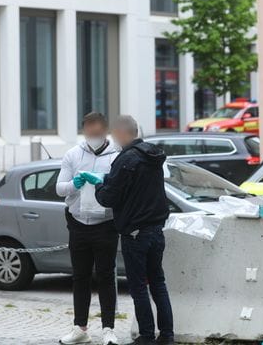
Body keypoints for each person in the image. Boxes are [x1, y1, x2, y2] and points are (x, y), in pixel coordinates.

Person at [80, 115, 174, 345]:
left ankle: (146, 336)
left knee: (139, 287)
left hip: (135, 233)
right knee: (158, 284)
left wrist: (100, 184)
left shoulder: (126, 160)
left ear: (122, 133)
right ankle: (167, 335)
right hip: (156, 230)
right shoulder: (153, 155)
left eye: (113, 134)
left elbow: (109, 198)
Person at [56, 113, 120, 345]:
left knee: (106, 276)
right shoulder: (73, 154)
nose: (93, 136)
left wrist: (103, 182)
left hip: (106, 224)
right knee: (80, 277)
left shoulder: (117, 156)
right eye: (88, 131)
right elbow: (59, 188)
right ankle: (80, 327)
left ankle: (108, 329)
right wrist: (74, 185)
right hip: (78, 224)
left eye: (97, 132)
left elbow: (121, 189)